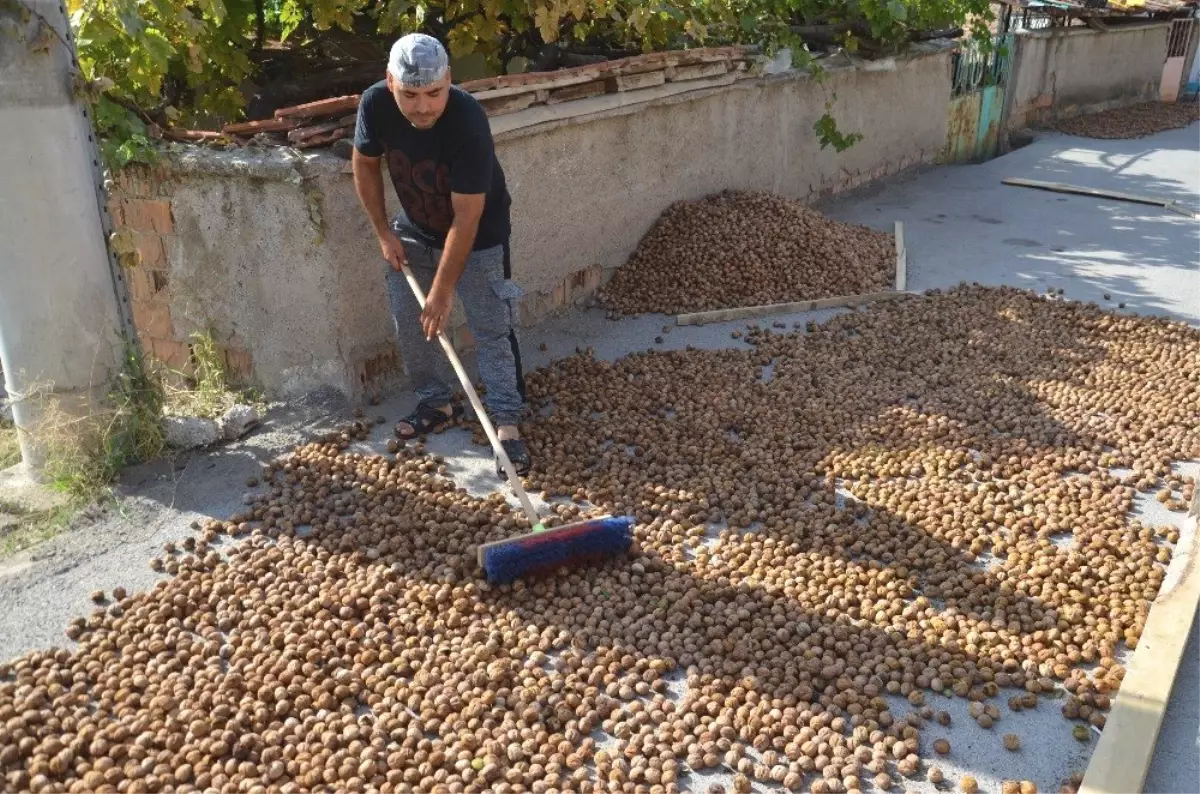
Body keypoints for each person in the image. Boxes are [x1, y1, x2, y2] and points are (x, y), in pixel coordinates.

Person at [351, 33, 531, 476]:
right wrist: (381, 233)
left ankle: (506, 420)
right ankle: (437, 403)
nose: (423, 107)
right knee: (413, 325)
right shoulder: (375, 104)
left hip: (480, 234)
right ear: (390, 82)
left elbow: (467, 217)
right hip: (411, 230)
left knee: (491, 326)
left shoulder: (468, 121)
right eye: (410, 95)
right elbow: (364, 163)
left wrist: (444, 289)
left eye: (434, 93)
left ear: (449, 80)